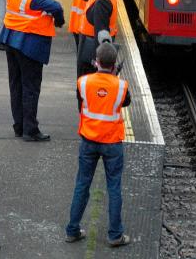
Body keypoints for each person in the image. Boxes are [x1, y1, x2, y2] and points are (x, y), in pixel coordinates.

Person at [66, 42, 130, 247]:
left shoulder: (83, 82)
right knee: (114, 188)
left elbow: (82, 99)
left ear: (96, 62)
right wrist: (113, 79)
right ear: (113, 66)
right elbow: (125, 102)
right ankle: (115, 235)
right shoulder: (121, 86)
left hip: (89, 141)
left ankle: (72, 230)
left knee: (82, 184)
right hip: (112, 143)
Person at [0, 0, 64, 141]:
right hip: (30, 44)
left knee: (16, 85)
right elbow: (56, 7)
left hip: (11, 41)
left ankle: (19, 126)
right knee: (30, 87)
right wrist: (59, 21)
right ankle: (30, 130)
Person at [55, 0, 118, 78]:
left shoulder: (102, 1)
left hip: (91, 52)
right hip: (90, 47)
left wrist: (98, 60)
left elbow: (101, 31)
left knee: (85, 82)